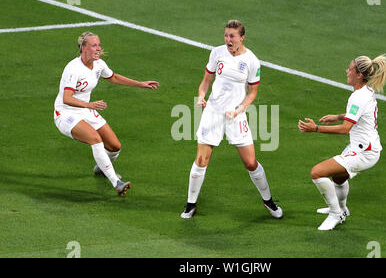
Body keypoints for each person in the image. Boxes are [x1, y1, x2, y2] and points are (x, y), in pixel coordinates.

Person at [180, 20, 283, 219]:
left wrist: (239, 110)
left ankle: (268, 200)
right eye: (226, 35)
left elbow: (252, 93)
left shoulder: (252, 61)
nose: (228, 39)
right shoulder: (217, 53)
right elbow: (206, 81)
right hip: (213, 112)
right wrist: (201, 96)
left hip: (236, 115)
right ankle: (190, 204)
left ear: (242, 37)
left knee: (250, 163)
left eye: (232, 36)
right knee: (201, 160)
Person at [54, 31, 160, 196]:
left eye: (99, 45)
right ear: (83, 48)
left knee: (114, 146)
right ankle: (116, 182)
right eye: (94, 45)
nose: (98, 49)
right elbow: (67, 98)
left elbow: (114, 77)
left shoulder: (99, 64)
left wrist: (140, 84)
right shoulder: (73, 69)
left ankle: (102, 168)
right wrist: (89, 104)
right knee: (96, 140)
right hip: (66, 113)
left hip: (86, 109)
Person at [298, 54, 386, 230]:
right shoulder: (365, 92)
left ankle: (336, 214)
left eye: (350, 69)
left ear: (359, 75)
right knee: (339, 176)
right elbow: (358, 115)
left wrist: (315, 129)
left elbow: (344, 129)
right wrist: (338, 116)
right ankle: (342, 208)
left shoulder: (358, 97)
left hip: (364, 152)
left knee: (317, 172)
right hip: (365, 147)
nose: (347, 71)